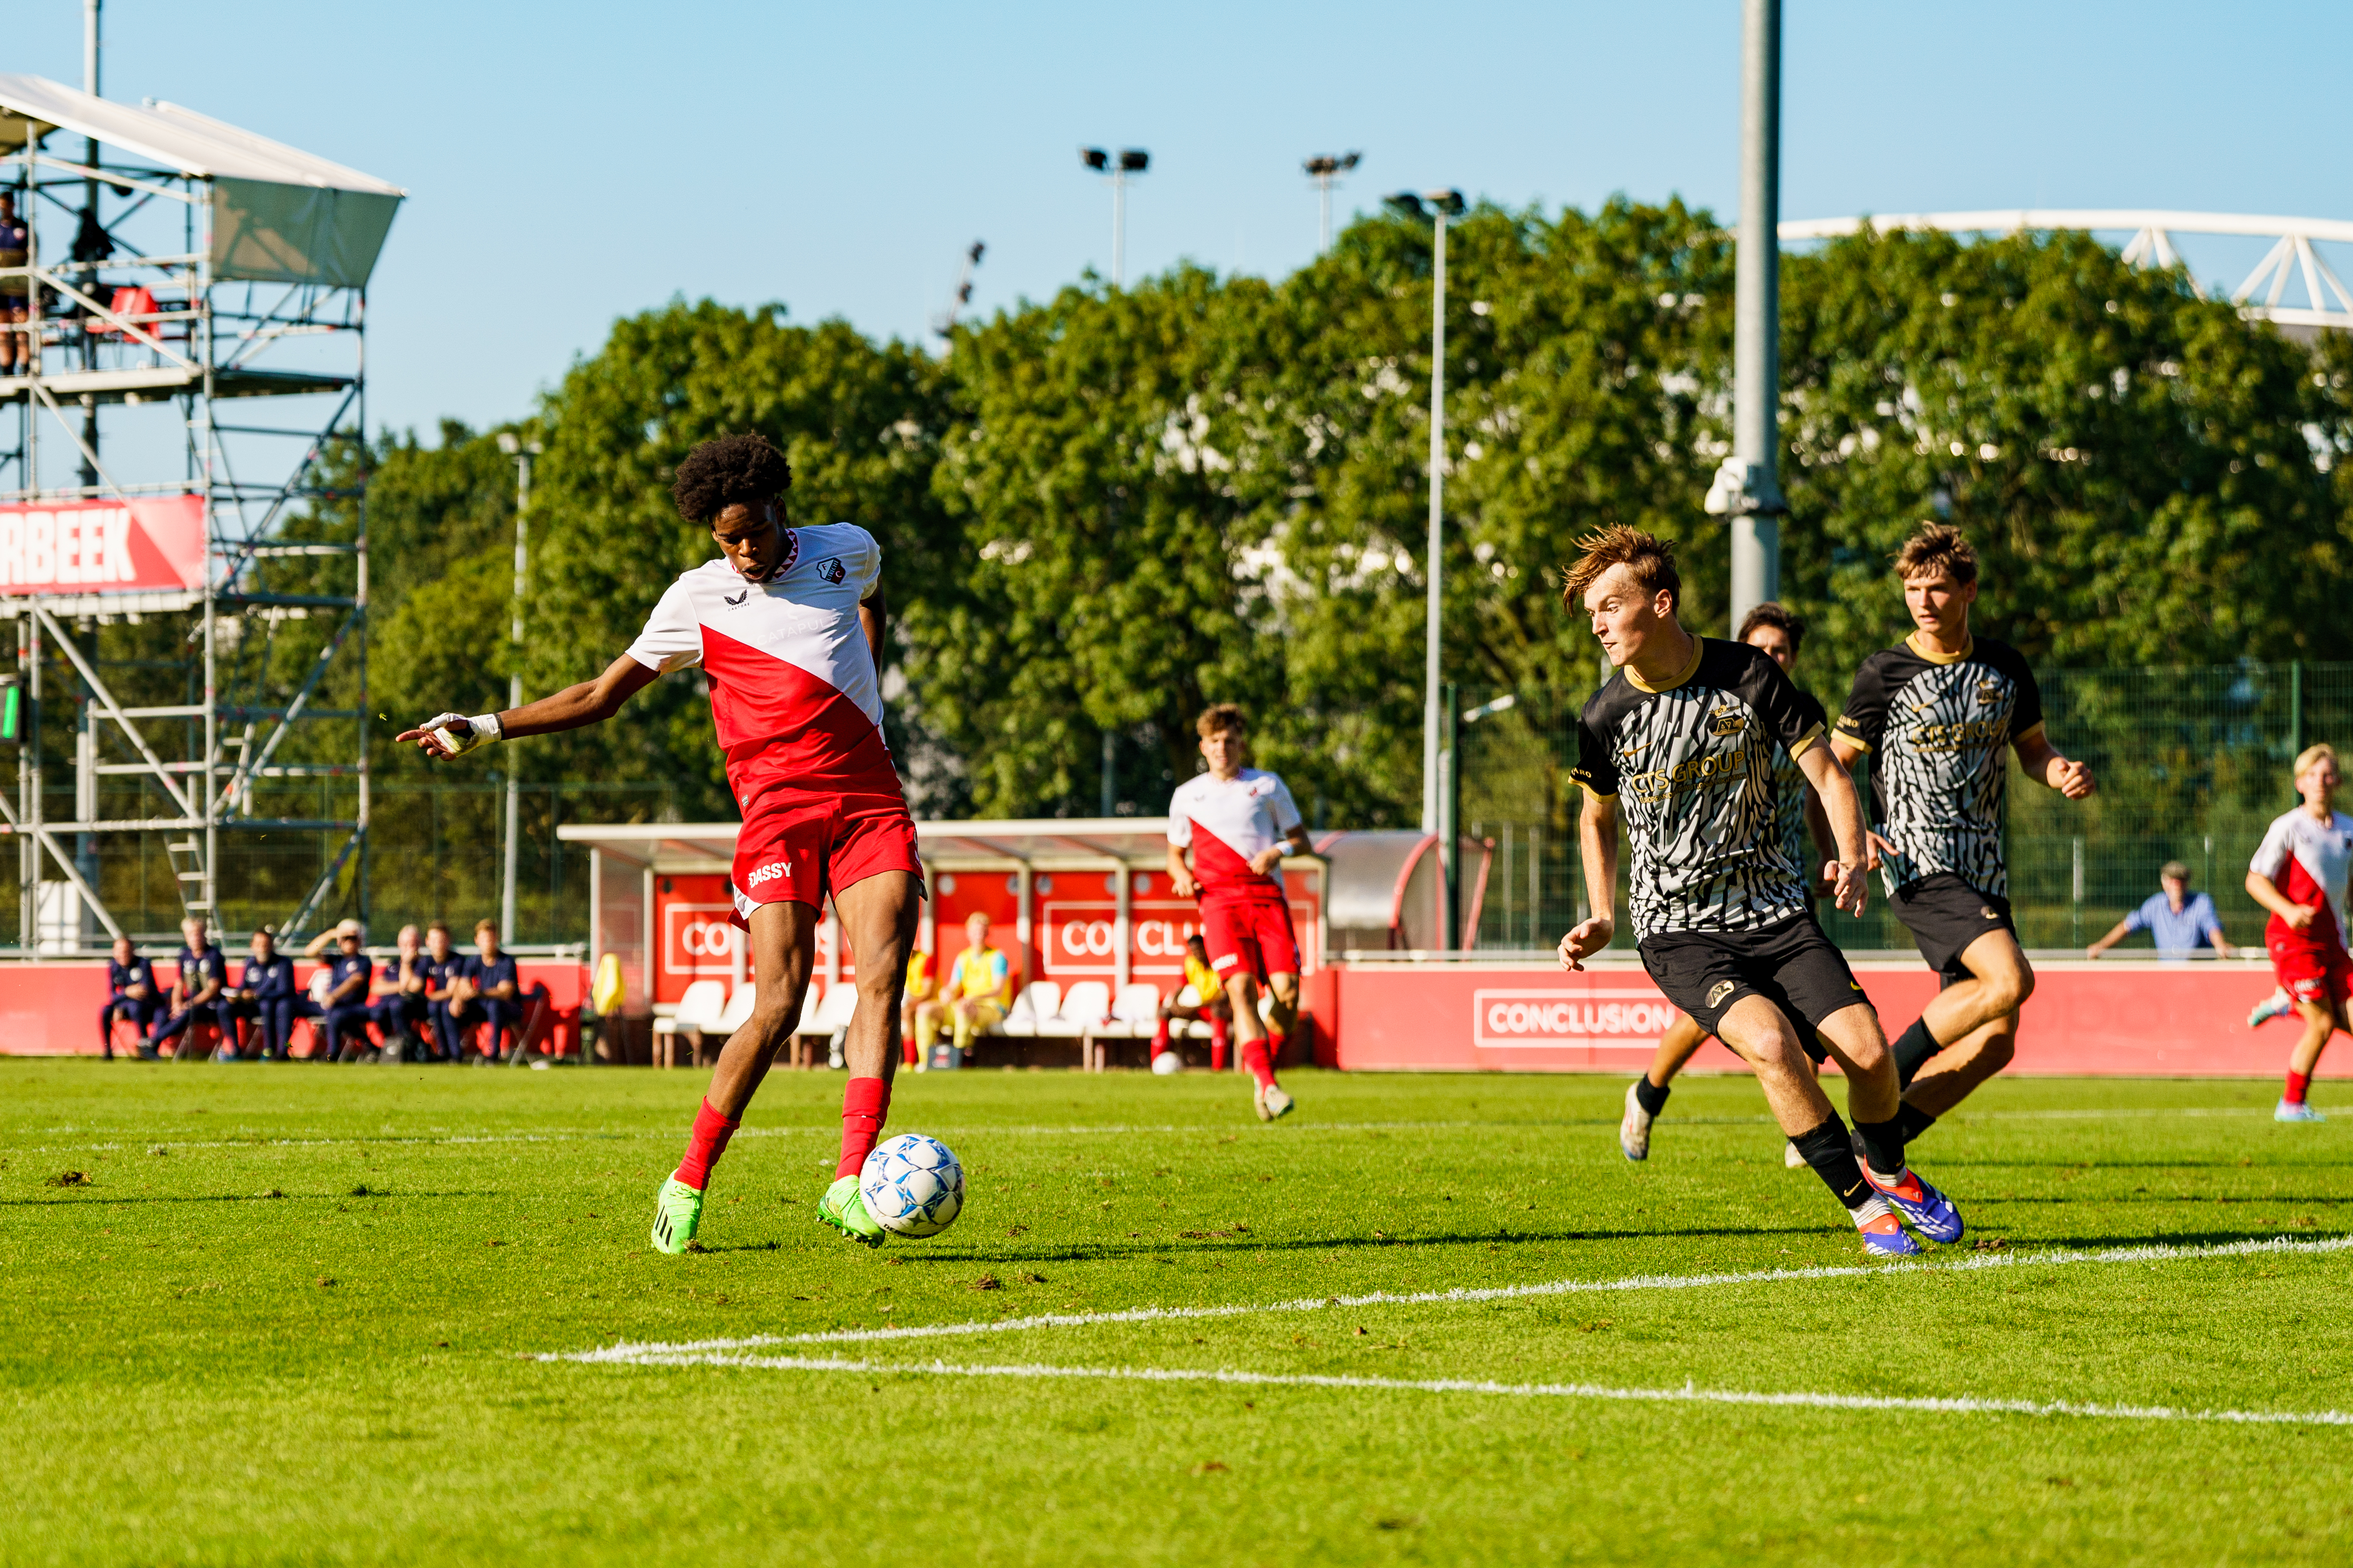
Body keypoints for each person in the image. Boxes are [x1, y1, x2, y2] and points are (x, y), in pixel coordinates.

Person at [398, 432, 922, 1252]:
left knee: (883, 978)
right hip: (777, 813)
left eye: (755, 530)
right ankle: (690, 1176)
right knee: (780, 1003)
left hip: (868, 803)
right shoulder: (698, 598)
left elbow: (872, 597)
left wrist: (870, 687)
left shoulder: (847, 550)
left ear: (782, 509)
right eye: (728, 538)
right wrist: (487, 727)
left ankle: (850, 1180)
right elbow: (603, 694)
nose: (746, 549)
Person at [1556, 526, 1958, 1256]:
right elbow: (1595, 817)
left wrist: (1852, 856)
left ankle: (1891, 1170)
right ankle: (1867, 1208)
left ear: (1661, 602)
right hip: (1678, 931)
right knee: (1774, 1045)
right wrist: (1604, 914)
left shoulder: (1750, 674)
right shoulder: (1602, 715)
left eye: (1611, 605)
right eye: (1592, 614)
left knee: (1869, 1055)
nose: (1600, 624)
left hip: (1775, 912)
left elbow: (1829, 773)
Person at [1830, 524, 2094, 1154]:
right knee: (2009, 979)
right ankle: (1879, 1082)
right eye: (1913, 589)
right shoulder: (1883, 674)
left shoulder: (2003, 668)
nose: (1923, 601)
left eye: (1939, 588)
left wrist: (2058, 771)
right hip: (1916, 863)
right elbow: (1833, 764)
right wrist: (1855, 833)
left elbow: (2032, 751)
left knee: (1996, 1041)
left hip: (1983, 871)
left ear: (1968, 591)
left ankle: (1877, 1144)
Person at [1618, 601, 1839, 1163]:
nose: (1770, 657)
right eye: (1760, 648)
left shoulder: (1803, 710)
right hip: (1708, 893)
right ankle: (1647, 1093)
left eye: (1780, 650)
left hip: (1780, 884)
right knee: (1709, 1018)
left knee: (1806, 1005)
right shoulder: (1709, 703)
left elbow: (1819, 789)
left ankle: (1806, 1128)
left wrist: (1826, 853)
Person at [1167, 704, 1313, 1121]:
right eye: (1214, 741)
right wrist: (1181, 876)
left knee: (1286, 996)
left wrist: (1277, 850)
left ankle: (1261, 1067)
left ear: (1240, 744)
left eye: (1229, 740)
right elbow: (1174, 857)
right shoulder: (1187, 795)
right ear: (1203, 746)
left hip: (1266, 899)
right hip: (1219, 903)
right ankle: (1267, 1084)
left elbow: (1302, 840)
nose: (1222, 748)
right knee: (1241, 990)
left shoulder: (1267, 785)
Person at [2245, 744, 2353, 1123]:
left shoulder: (2349, 829)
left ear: (2337, 780)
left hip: (2334, 944)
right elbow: (2255, 880)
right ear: (2299, 783)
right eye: (2311, 775)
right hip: (2292, 943)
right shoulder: (2288, 826)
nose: (2320, 782)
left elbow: (2348, 887)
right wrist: (2289, 910)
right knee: (2322, 1023)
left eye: (2326, 775)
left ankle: (2291, 1002)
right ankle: (2291, 1105)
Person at [2086, 861, 2235, 960]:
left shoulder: (2202, 902)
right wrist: (2101, 947)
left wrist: (2220, 946)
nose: (2177, 884)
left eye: (2181, 880)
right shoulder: (2155, 905)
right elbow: (2128, 926)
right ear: (2164, 883)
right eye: (2172, 879)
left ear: (2187, 882)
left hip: (2197, 976)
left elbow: (2211, 927)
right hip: (2166, 976)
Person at [915, 911, 1010, 1066]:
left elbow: (998, 989)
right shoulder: (963, 958)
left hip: (992, 1007)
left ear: (987, 933)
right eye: (975, 931)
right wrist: (945, 992)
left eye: (982, 931)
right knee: (924, 1010)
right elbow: (954, 986)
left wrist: (973, 998)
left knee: (963, 1008)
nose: (978, 935)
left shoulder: (998, 957)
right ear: (968, 933)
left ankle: (957, 1061)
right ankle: (926, 1063)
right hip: (965, 1005)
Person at [448, 919, 549, 1063]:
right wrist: (457, 999)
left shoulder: (506, 962)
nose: (488, 942)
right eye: (484, 939)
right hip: (484, 1008)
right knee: (450, 1007)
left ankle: (493, 1056)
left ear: (497, 939)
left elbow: (506, 992)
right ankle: (454, 1056)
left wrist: (477, 993)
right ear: (477, 941)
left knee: (494, 1005)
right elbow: (464, 985)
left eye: (491, 938)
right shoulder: (473, 961)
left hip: (509, 1009)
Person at [224, 926, 315, 1062]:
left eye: (266, 944)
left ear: (272, 945)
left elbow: (284, 990)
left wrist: (256, 995)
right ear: (252, 946)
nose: (262, 947)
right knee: (224, 1007)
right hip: (252, 1006)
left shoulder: (283, 963)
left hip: (275, 1007)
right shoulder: (250, 962)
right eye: (259, 944)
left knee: (271, 1005)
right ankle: (235, 1051)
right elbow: (243, 986)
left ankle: (273, 1051)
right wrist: (237, 995)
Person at [149, 917, 231, 1061]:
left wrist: (188, 1005)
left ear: (204, 934)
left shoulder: (214, 955)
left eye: (198, 934)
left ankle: (152, 1042)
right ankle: (152, 1051)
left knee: (188, 1012)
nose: (195, 938)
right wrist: (176, 1004)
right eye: (191, 934)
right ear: (186, 937)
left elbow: (212, 989)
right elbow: (179, 984)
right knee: (162, 1011)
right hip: (190, 1003)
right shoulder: (184, 955)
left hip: (210, 1006)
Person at [1151, 931, 1233, 1071]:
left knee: (1217, 1011)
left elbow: (1225, 997)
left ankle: (1218, 1068)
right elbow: (1179, 990)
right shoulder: (1190, 964)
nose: (1197, 954)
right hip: (1201, 1010)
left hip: (1224, 1010)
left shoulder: (1220, 962)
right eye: (1194, 951)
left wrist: (1195, 1007)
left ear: (1206, 948)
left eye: (1199, 950)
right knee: (1164, 1012)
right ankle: (1156, 1065)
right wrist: (1175, 1004)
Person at [303, 920, 379, 1061]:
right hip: (333, 1005)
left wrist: (334, 996)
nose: (349, 942)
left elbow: (355, 981)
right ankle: (372, 1048)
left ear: (359, 941)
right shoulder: (337, 960)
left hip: (354, 1006)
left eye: (353, 938)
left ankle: (332, 1054)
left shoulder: (363, 962)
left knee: (337, 1015)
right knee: (293, 1005)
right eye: (345, 938)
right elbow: (309, 952)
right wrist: (331, 935)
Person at [369, 925, 435, 1061]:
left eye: (413, 944)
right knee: (377, 1012)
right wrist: (399, 986)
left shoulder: (423, 963)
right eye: (405, 944)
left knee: (397, 1005)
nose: (409, 947)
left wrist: (406, 963)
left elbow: (411, 988)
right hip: (389, 1006)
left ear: (419, 945)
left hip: (413, 1006)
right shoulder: (393, 965)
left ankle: (406, 1047)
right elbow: (375, 988)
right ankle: (387, 1048)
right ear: (399, 944)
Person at [99, 936, 158, 1060]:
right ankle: (108, 1052)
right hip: (125, 1006)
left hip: (147, 1007)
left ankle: (145, 1047)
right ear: (114, 952)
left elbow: (143, 992)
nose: (123, 954)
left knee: (134, 1006)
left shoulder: (143, 964)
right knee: (105, 1010)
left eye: (126, 951)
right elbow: (112, 995)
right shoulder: (113, 966)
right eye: (119, 951)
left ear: (132, 951)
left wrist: (121, 1002)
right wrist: (126, 994)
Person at [0, 192, 27, 377]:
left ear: (12, 205)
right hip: (1, 286)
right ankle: (6, 368)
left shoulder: (23, 228)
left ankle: (25, 366)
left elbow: (31, 253)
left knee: (22, 325)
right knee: (3, 327)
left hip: (18, 286)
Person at [899, 942, 935, 1067]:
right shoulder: (899, 961)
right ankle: (895, 1063)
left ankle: (910, 1060)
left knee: (908, 1012)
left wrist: (910, 1003)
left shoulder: (926, 960)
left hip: (931, 1003)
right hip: (909, 1003)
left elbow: (929, 992)